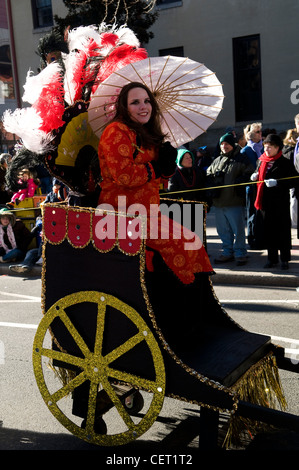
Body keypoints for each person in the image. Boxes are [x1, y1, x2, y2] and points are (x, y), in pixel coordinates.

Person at [97, 81, 213, 284]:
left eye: (147, 101)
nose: (143, 106)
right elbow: (123, 176)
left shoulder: (148, 134)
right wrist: (157, 167)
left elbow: (158, 179)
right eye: (135, 102)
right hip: (121, 214)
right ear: (124, 107)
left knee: (192, 242)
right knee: (180, 246)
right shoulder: (116, 131)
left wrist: (167, 167)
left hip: (148, 213)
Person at [206, 132, 254, 266]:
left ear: (232, 144)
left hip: (234, 201)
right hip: (219, 202)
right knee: (222, 230)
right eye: (222, 144)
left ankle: (240, 253)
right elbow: (208, 173)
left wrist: (240, 181)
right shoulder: (217, 160)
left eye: (226, 143)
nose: (224, 146)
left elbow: (250, 173)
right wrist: (211, 183)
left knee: (237, 229)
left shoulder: (242, 158)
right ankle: (227, 252)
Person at [250, 134, 295, 269]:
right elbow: (257, 175)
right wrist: (254, 177)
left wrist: (278, 183)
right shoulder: (261, 161)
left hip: (280, 204)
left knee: (282, 232)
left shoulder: (285, 162)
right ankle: (272, 258)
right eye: (265, 147)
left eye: (270, 147)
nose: (267, 150)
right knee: (269, 233)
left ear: (277, 148)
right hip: (265, 204)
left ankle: (285, 259)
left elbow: (293, 180)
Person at [241, 122, 264, 248]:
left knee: (261, 214)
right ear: (250, 134)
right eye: (258, 132)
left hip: (262, 186)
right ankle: (253, 240)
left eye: (260, 131)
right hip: (251, 187)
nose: (261, 134)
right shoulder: (246, 150)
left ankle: (261, 238)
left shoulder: (262, 148)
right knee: (252, 214)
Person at [282, 128, 299, 227]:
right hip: (293, 177)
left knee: (293, 201)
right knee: (293, 201)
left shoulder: (285, 148)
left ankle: (294, 223)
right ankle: (294, 223)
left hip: (289, 177)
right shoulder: (292, 149)